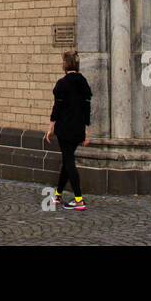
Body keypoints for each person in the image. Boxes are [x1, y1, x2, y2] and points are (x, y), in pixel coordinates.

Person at [46, 50, 92, 211]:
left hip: (64, 129)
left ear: (65, 65)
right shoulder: (84, 83)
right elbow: (87, 109)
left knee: (69, 162)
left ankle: (79, 199)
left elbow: (57, 108)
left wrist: (51, 126)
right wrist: (86, 131)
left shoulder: (62, 84)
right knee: (67, 160)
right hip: (78, 128)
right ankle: (58, 194)